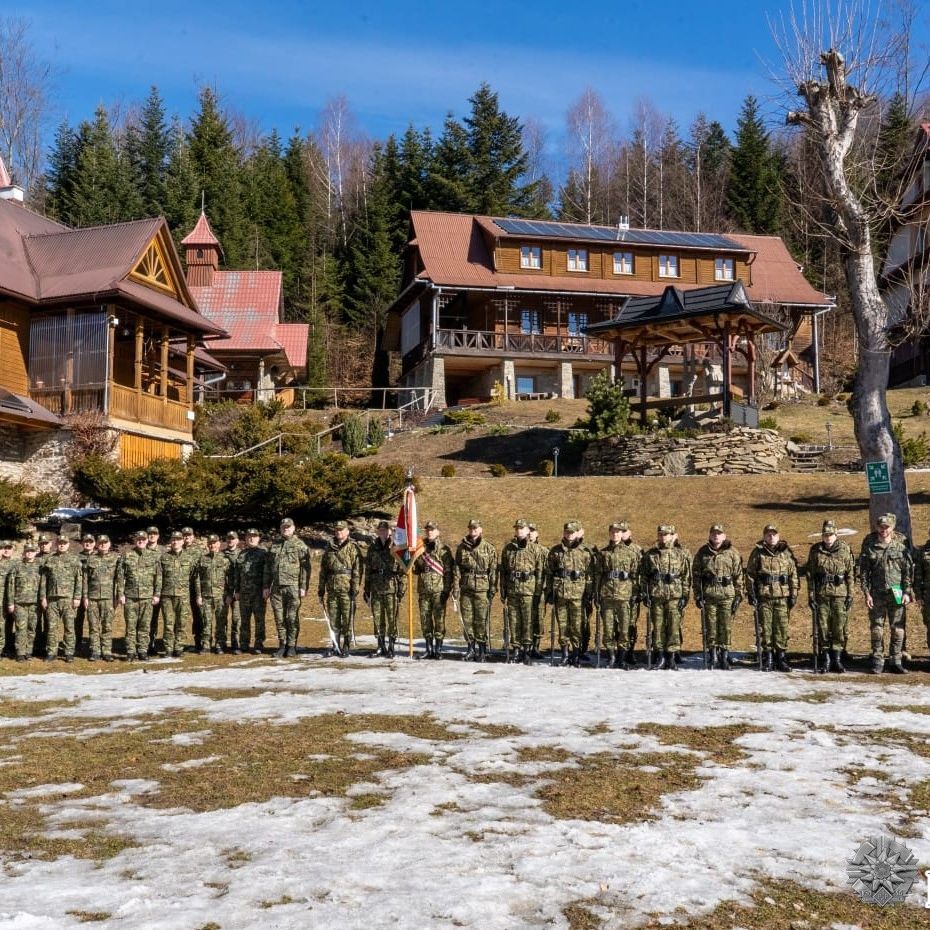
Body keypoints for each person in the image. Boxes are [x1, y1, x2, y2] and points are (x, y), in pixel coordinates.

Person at [859, 512, 914, 674]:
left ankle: (895, 660)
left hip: (897, 591)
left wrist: (907, 592)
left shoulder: (901, 545)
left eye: (886, 527)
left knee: (897, 628)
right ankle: (878, 660)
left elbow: (908, 572)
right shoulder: (870, 545)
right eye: (880, 527)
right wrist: (867, 593)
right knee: (877, 628)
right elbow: (864, 572)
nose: (883, 530)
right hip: (876, 593)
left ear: (892, 527)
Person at [746, 524, 799, 672]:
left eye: (774, 534)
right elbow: (750, 575)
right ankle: (768, 657)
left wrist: (794, 594)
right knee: (766, 628)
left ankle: (781, 657)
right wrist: (751, 593)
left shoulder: (786, 553)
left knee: (781, 627)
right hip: (764, 596)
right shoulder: (758, 553)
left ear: (778, 536)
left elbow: (793, 575)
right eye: (768, 534)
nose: (771, 537)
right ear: (764, 536)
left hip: (782, 596)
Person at [806, 519, 855, 674]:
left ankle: (837, 659)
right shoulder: (815, 550)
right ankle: (826, 659)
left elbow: (850, 574)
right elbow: (810, 575)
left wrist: (850, 594)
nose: (828, 537)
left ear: (836, 534)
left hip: (840, 594)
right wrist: (811, 596)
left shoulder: (845, 549)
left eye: (831, 535)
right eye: (825, 535)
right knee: (823, 627)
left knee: (839, 627)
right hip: (822, 595)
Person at [692, 523, 743, 670]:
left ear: (724, 536)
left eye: (719, 533)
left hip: (727, 594)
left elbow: (738, 575)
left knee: (725, 626)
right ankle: (713, 654)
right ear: (709, 535)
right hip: (709, 594)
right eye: (713, 533)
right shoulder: (702, 552)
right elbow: (696, 576)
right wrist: (697, 595)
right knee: (711, 626)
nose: (716, 536)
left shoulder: (732, 552)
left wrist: (739, 596)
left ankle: (724, 655)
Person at [640, 524, 692, 670]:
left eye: (666, 534)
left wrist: (685, 596)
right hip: (656, 595)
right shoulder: (651, 555)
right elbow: (644, 576)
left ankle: (672, 658)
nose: (663, 537)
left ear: (672, 535)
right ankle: (660, 657)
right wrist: (645, 593)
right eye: (661, 534)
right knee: (658, 627)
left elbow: (686, 577)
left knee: (674, 628)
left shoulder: (680, 554)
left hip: (675, 595)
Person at [545, 521, 595, 667]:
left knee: (577, 626)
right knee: (563, 626)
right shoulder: (555, 551)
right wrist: (549, 591)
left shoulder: (585, 552)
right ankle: (565, 654)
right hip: (560, 594)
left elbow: (590, 575)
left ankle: (576, 654)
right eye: (567, 532)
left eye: (572, 532)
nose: (569, 535)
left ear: (577, 533)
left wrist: (588, 594)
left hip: (578, 595)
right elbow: (549, 572)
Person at [596, 521, 642, 669]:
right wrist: (596, 594)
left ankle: (622, 658)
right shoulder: (603, 553)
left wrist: (635, 593)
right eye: (613, 532)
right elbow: (598, 575)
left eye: (618, 532)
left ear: (622, 534)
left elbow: (636, 575)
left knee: (624, 629)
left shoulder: (631, 553)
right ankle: (611, 657)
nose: (615, 534)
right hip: (607, 595)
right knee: (608, 629)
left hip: (624, 596)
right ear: (609, 533)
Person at [499, 519, 545, 664]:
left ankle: (527, 649)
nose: (519, 530)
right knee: (514, 621)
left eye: (522, 528)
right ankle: (516, 649)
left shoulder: (535, 549)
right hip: (513, 590)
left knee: (527, 621)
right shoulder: (508, 549)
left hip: (529, 590)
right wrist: (503, 589)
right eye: (517, 528)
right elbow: (504, 572)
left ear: (527, 531)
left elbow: (539, 572)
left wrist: (538, 592)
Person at [263, 517, 311, 657]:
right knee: (279, 618)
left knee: (291, 617)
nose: (286, 529)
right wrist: (266, 586)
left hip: (293, 587)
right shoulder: (274, 545)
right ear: (280, 529)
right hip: (276, 588)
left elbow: (305, 568)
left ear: (293, 528)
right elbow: (268, 567)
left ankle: (291, 645)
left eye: (288, 527)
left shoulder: (300, 545)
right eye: (284, 527)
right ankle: (282, 644)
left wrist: (303, 587)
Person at [453, 519, 497, 662]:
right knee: (467, 620)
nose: (473, 531)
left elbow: (493, 570)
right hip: (466, 588)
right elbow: (457, 569)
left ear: (481, 529)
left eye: (476, 528)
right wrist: (455, 588)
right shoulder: (461, 548)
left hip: (482, 588)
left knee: (481, 620)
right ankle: (471, 648)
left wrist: (492, 588)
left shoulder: (489, 548)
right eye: (471, 528)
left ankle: (482, 649)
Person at [319, 520, 362, 656]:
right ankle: (335, 645)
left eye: (342, 530)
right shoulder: (329, 547)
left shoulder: (353, 547)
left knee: (347, 618)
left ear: (347, 531)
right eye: (337, 530)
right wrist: (321, 588)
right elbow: (323, 570)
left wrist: (355, 587)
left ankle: (346, 645)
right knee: (334, 618)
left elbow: (357, 569)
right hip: (332, 588)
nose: (339, 532)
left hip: (347, 589)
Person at [411, 521, 454, 660]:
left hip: (439, 590)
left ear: (438, 532)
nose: (430, 532)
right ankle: (428, 649)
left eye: (432, 530)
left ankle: (438, 649)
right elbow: (416, 569)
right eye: (428, 530)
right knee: (425, 620)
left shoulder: (444, 550)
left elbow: (448, 572)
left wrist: (447, 590)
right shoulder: (420, 548)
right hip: (423, 590)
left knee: (439, 620)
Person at [117, 530, 161, 661]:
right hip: (130, 597)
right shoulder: (127, 555)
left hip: (147, 597)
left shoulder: (154, 556)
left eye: (143, 539)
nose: (141, 541)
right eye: (138, 539)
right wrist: (121, 593)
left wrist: (157, 594)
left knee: (145, 626)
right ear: (135, 541)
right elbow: (120, 576)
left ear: (147, 540)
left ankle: (142, 650)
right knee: (131, 626)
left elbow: (158, 577)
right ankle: (130, 651)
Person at [364, 520, 405, 658]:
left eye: (385, 529)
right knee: (377, 618)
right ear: (378, 531)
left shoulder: (396, 546)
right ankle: (380, 646)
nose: (382, 531)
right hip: (376, 587)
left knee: (392, 618)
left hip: (391, 587)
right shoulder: (372, 547)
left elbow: (403, 570)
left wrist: (401, 588)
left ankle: (391, 646)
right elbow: (368, 569)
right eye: (380, 529)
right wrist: (366, 588)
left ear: (390, 531)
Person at [39, 535, 81, 662]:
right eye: (60, 543)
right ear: (56, 544)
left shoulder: (74, 559)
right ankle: (52, 652)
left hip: (68, 599)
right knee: (52, 627)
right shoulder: (50, 559)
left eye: (64, 543)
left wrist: (77, 597)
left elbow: (78, 580)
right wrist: (43, 597)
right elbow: (43, 580)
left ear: (68, 544)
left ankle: (69, 653)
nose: (62, 545)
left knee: (69, 627)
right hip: (52, 599)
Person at [82, 535, 119, 661]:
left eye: (105, 542)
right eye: (100, 543)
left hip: (108, 598)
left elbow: (118, 580)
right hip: (92, 598)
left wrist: (117, 597)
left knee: (107, 626)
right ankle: (95, 651)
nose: (103, 545)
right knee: (93, 626)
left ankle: (107, 651)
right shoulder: (91, 559)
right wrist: (85, 597)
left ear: (109, 544)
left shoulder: (115, 559)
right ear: (97, 544)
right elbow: (85, 580)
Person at [159, 531, 196, 657]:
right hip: (167, 595)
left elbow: (193, 577)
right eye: (173, 539)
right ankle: (168, 648)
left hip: (183, 595)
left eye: (178, 539)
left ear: (182, 541)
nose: (175, 542)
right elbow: (159, 577)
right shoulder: (164, 557)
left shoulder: (189, 557)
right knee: (168, 623)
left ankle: (179, 647)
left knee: (181, 622)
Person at [194, 534, 233, 654]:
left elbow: (231, 578)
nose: (212, 545)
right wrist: (198, 595)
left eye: (215, 543)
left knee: (221, 621)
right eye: (210, 543)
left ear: (219, 544)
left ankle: (220, 644)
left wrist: (229, 594)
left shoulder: (225, 559)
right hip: (206, 596)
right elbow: (197, 579)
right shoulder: (202, 559)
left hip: (221, 596)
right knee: (206, 621)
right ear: (207, 545)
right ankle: (206, 644)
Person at [4, 541, 41, 660]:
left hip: (35, 603)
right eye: (27, 551)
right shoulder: (17, 567)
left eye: (31, 551)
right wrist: (10, 603)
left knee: (32, 628)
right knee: (21, 628)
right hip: (19, 603)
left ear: (35, 552)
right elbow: (10, 586)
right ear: (24, 553)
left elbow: (44, 584)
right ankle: (20, 652)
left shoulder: (39, 567)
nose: (29, 553)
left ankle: (29, 651)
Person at [238, 529, 268, 654]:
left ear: (258, 538)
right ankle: (244, 644)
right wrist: (236, 590)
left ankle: (259, 644)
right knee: (244, 619)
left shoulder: (264, 553)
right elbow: (237, 574)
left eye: (254, 537)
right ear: (245, 538)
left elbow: (267, 572)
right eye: (249, 536)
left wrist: (266, 588)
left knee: (259, 619)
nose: (251, 539)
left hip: (258, 593)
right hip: (244, 592)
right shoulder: (241, 554)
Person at [528, 523, 549, 658]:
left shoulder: (544, 551)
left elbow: (550, 572)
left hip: (540, 591)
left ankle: (535, 646)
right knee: (525, 618)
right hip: (524, 590)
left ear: (537, 534)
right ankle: (525, 645)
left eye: (533, 531)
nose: (530, 533)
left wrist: (546, 590)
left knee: (538, 619)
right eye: (528, 531)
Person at [75, 533, 96, 655]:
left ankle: (94, 646)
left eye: (90, 541)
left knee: (94, 621)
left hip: (93, 594)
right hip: (78, 593)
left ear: (94, 543)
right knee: (77, 620)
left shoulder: (98, 556)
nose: (88, 543)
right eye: (85, 541)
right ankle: (77, 644)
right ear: (82, 543)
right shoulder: (76, 557)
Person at [221, 531, 243, 653]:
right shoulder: (221, 555)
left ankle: (236, 643)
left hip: (238, 592)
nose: (230, 540)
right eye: (228, 538)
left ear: (237, 540)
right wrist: (228, 593)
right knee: (222, 618)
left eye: (233, 538)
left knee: (237, 619)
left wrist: (237, 591)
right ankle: (222, 643)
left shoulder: (242, 554)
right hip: (224, 592)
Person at [145, 525, 162, 654]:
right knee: (148, 619)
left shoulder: (163, 551)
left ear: (158, 536)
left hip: (164, 590)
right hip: (147, 590)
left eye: (154, 534)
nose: (152, 536)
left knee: (159, 619)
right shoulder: (141, 549)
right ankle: (146, 644)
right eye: (150, 533)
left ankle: (155, 643)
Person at [0, 540, 15, 656]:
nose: (6, 550)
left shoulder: (18, 564)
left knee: (12, 624)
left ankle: (9, 647)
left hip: (15, 601)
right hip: (1, 600)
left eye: (9, 548)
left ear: (12, 549)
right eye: (4, 548)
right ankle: (1, 648)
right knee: (1, 625)